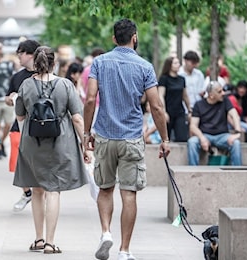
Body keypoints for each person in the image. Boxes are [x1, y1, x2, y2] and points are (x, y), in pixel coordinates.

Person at [83, 18, 170, 260]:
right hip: (131, 136)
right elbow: (157, 106)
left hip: (104, 135)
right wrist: (164, 138)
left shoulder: (99, 62)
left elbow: (90, 100)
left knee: (105, 188)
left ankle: (105, 233)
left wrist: (86, 133)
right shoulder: (145, 66)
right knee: (129, 192)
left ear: (113, 39)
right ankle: (124, 250)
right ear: (135, 37)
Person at [13, 45, 88, 254]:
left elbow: (19, 115)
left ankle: (38, 239)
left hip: (32, 143)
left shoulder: (26, 85)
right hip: (59, 143)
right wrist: (86, 145)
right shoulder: (65, 85)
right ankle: (50, 242)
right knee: (53, 190)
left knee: (37, 189)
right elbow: (77, 118)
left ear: (35, 63)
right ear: (54, 63)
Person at [5, 39, 40, 212]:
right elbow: (7, 98)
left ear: (31, 54)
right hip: (18, 124)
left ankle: (40, 192)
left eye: (21, 53)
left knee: (38, 161)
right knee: (17, 161)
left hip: (41, 125)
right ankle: (27, 192)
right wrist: (11, 99)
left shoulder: (44, 74)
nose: (18, 56)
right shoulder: (17, 77)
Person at [188, 81, 242, 166]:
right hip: (205, 135)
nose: (223, 93)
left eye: (223, 90)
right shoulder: (199, 105)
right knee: (192, 142)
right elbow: (193, 126)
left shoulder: (225, 101)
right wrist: (202, 138)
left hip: (223, 136)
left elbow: (235, 115)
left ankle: (238, 172)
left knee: (236, 143)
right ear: (211, 95)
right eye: (220, 91)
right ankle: (192, 171)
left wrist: (237, 133)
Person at [158, 56, 190, 142]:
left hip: (179, 111)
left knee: (182, 137)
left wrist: (189, 109)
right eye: (175, 63)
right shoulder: (164, 79)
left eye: (178, 63)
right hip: (168, 111)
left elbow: (185, 96)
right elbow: (161, 95)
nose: (178, 65)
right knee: (166, 138)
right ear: (169, 65)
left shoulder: (182, 79)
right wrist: (163, 112)